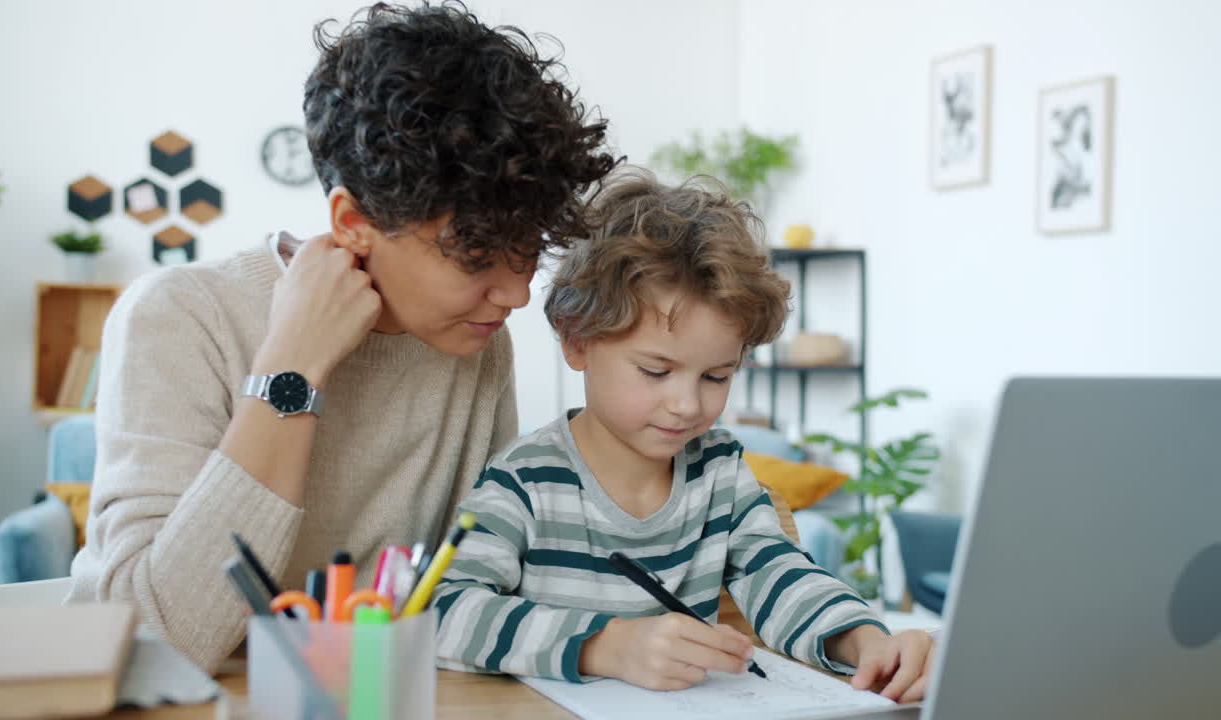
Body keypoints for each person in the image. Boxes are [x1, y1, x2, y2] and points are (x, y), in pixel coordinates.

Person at [66, 1, 615, 672]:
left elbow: (472, 590)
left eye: (527, 250)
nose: (517, 294)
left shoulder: (475, 342)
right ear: (353, 221)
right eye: (476, 256)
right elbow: (155, 639)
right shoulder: (180, 316)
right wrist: (293, 365)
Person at [433, 171, 935, 701]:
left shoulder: (718, 471)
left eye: (716, 376)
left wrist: (867, 642)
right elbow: (442, 611)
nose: (688, 405)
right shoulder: (526, 478)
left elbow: (779, 574)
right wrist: (606, 646)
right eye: (656, 371)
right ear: (577, 341)